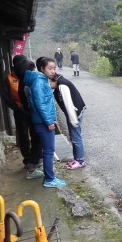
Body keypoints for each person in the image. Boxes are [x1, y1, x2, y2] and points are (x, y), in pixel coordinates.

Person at [24, 57, 66, 188]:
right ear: (42, 69)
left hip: (42, 120)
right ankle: (49, 179)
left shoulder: (41, 80)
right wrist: (49, 121)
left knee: (47, 149)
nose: (53, 71)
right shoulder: (39, 82)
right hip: (43, 121)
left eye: (54, 68)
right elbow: (40, 104)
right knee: (49, 150)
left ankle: (49, 176)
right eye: (50, 68)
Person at [49, 74, 87, 170]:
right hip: (73, 114)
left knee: (76, 137)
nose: (48, 85)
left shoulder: (62, 85)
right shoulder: (59, 84)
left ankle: (80, 160)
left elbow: (69, 105)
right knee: (74, 136)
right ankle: (77, 158)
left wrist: (73, 120)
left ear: (52, 80)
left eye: (49, 83)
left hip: (74, 114)